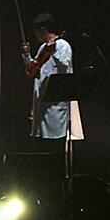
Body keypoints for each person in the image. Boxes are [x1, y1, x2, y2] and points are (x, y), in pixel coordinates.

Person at [22, 13, 80, 141]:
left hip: (55, 106)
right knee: (41, 142)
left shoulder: (63, 45)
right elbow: (33, 70)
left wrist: (52, 52)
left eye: (36, 32)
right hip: (41, 104)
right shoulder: (43, 48)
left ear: (42, 30)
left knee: (55, 141)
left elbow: (65, 69)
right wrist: (27, 55)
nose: (35, 35)